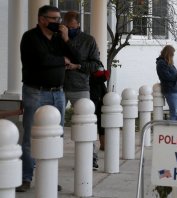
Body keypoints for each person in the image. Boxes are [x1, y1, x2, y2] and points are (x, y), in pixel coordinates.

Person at [18, 5, 78, 192]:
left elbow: (76, 58)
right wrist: (62, 61)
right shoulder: (30, 38)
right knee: (30, 136)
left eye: (59, 19)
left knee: (55, 136)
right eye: (54, 19)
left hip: (57, 93)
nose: (58, 23)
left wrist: (67, 40)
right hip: (35, 91)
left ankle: (49, 176)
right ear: (42, 19)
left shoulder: (59, 39)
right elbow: (40, 60)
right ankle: (26, 177)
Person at [63, 11, 101, 170]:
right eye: (66, 27)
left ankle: (91, 157)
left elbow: (95, 65)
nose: (69, 30)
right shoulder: (57, 37)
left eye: (72, 27)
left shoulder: (88, 40)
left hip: (80, 86)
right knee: (50, 123)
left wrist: (77, 66)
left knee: (86, 124)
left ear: (78, 24)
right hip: (58, 85)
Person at [157, 45, 177, 120]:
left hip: (175, 90)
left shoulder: (168, 62)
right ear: (168, 53)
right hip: (170, 90)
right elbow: (166, 76)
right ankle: (172, 129)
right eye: (172, 54)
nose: (173, 55)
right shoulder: (161, 63)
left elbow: (172, 74)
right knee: (174, 111)